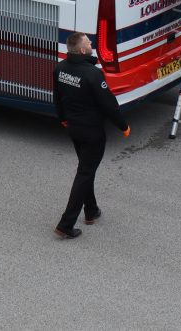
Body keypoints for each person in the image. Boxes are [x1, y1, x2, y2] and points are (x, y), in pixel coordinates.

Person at [53, 32, 130, 239]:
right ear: (82, 50)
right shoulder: (92, 74)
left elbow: (57, 97)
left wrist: (63, 118)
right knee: (85, 172)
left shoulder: (60, 68)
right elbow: (108, 104)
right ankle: (66, 224)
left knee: (86, 168)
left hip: (73, 129)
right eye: (88, 42)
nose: (91, 43)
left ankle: (91, 210)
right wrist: (123, 125)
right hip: (92, 132)